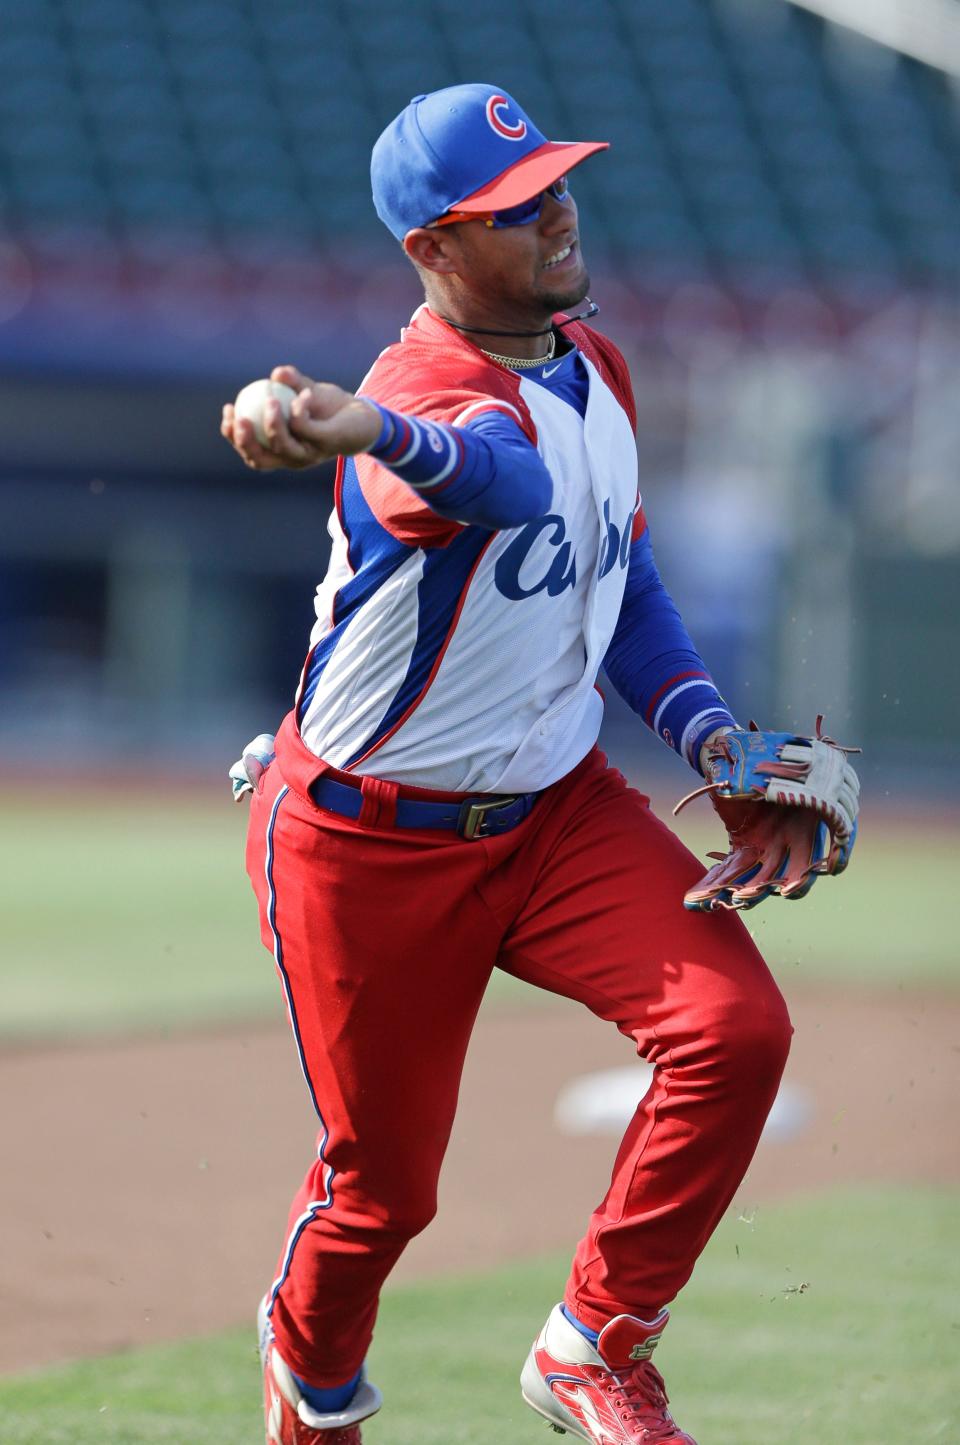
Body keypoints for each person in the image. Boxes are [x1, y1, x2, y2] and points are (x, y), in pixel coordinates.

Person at [221, 84, 859, 1445]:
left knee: (734, 1031)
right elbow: (487, 478)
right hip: (367, 842)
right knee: (380, 1192)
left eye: (558, 184)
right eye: (517, 209)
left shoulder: (597, 363)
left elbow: (620, 587)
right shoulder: (414, 396)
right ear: (434, 250)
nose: (558, 213)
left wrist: (708, 735)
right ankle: (312, 1390)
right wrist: (363, 431)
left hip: (559, 810)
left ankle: (595, 1344)